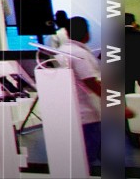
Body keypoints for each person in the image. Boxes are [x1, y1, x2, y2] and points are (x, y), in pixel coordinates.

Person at [55, 17, 104, 170]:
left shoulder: (60, 52)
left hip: (72, 112)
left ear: (67, 33)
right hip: (87, 113)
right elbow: (91, 82)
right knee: (89, 157)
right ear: (87, 32)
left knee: (81, 157)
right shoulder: (79, 54)